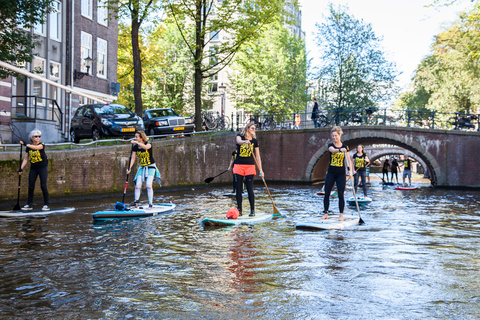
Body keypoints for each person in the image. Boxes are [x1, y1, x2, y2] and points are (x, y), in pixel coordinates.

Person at [233, 122, 264, 217]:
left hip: (250, 166)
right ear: (247, 129)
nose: (254, 130)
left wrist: (261, 170)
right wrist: (244, 142)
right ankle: (239, 210)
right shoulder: (240, 137)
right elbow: (238, 142)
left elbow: (258, 156)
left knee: (249, 188)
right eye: (252, 128)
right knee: (238, 188)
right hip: (238, 165)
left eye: (254, 129)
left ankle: (252, 210)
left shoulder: (254, 141)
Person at [322, 126, 353, 221]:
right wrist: (340, 150)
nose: (334, 138)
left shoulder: (345, 147)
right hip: (331, 172)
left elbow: (348, 160)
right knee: (327, 193)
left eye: (336, 136)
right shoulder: (330, 145)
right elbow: (333, 151)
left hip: (341, 173)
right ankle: (326, 213)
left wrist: (351, 171)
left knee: (340, 194)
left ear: (339, 135)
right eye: (333, 136)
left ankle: (341, 215)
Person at [127, 130, 161, 208]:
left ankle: (150, 204)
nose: (135, 138)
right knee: (138, 185)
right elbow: (132, 159)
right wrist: (129, 168)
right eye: (135, 137)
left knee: (149, 185)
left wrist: (137, 143)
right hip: (142, 167)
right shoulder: (135, 147)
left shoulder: (148, 143)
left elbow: (145, 147)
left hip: (151, 166)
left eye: (136, 137)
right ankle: (136, 203)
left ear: (141, 138)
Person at [18, 129, 50, 210]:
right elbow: (26, 159)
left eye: (39, 136)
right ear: (32, 137)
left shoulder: (41, 145)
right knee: (31, 186)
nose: (38, 138)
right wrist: (21, 168)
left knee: (43, 185)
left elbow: (36, 148)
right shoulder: (28, 148)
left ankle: (46, 204)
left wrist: (26, 144)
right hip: (33, 168)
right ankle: (29, 204)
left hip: (42, 167)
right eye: (36, 136)